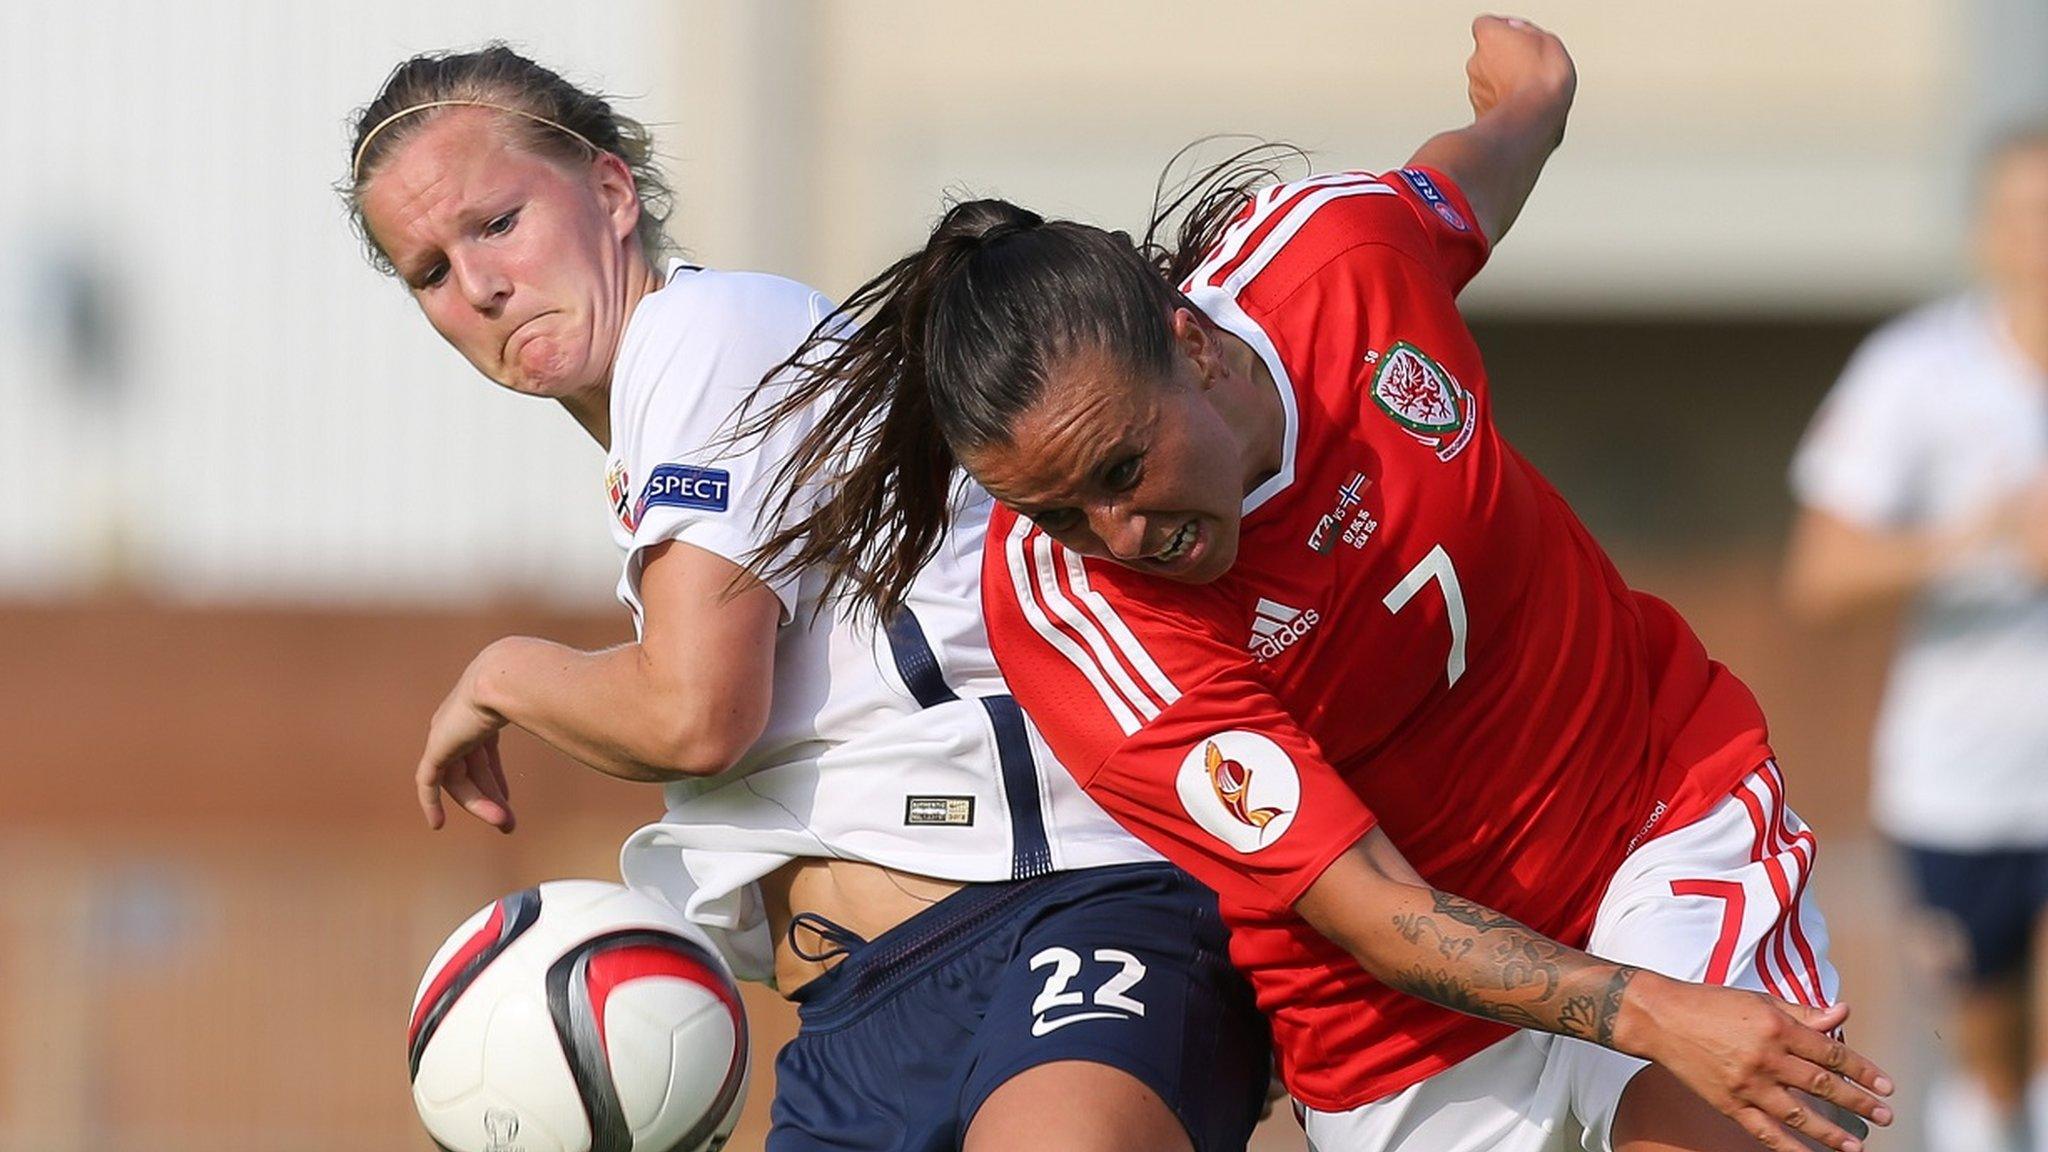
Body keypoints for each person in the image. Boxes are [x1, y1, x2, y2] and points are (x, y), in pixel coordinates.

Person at [743, 15, 1896, 1152]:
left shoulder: (1333, 256)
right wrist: (1647, 1010)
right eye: (1057, 512)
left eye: (1121, 468)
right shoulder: (1071, 621)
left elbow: (1458, 192)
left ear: (1191, 342)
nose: (1115, 534)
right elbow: (1377, 914)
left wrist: (1529, 102)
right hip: (1400, 1030)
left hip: (1654, 815)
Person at [341, 45, 1271, 1152]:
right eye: (430, 270)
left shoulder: (704, 335)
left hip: (1064, 910)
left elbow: (694, 712)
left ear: (609, 187)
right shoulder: (653, 425)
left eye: (496, 223)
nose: (479, 284)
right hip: (857, 1016)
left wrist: (503, 675)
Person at [1785, 122, 2048, 1152]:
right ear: (1983, 232)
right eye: (2023, 215)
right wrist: (1979, 538)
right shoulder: (1915, 369)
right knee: (1989, 1044)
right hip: (1962, 782)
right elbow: (1819, 574)